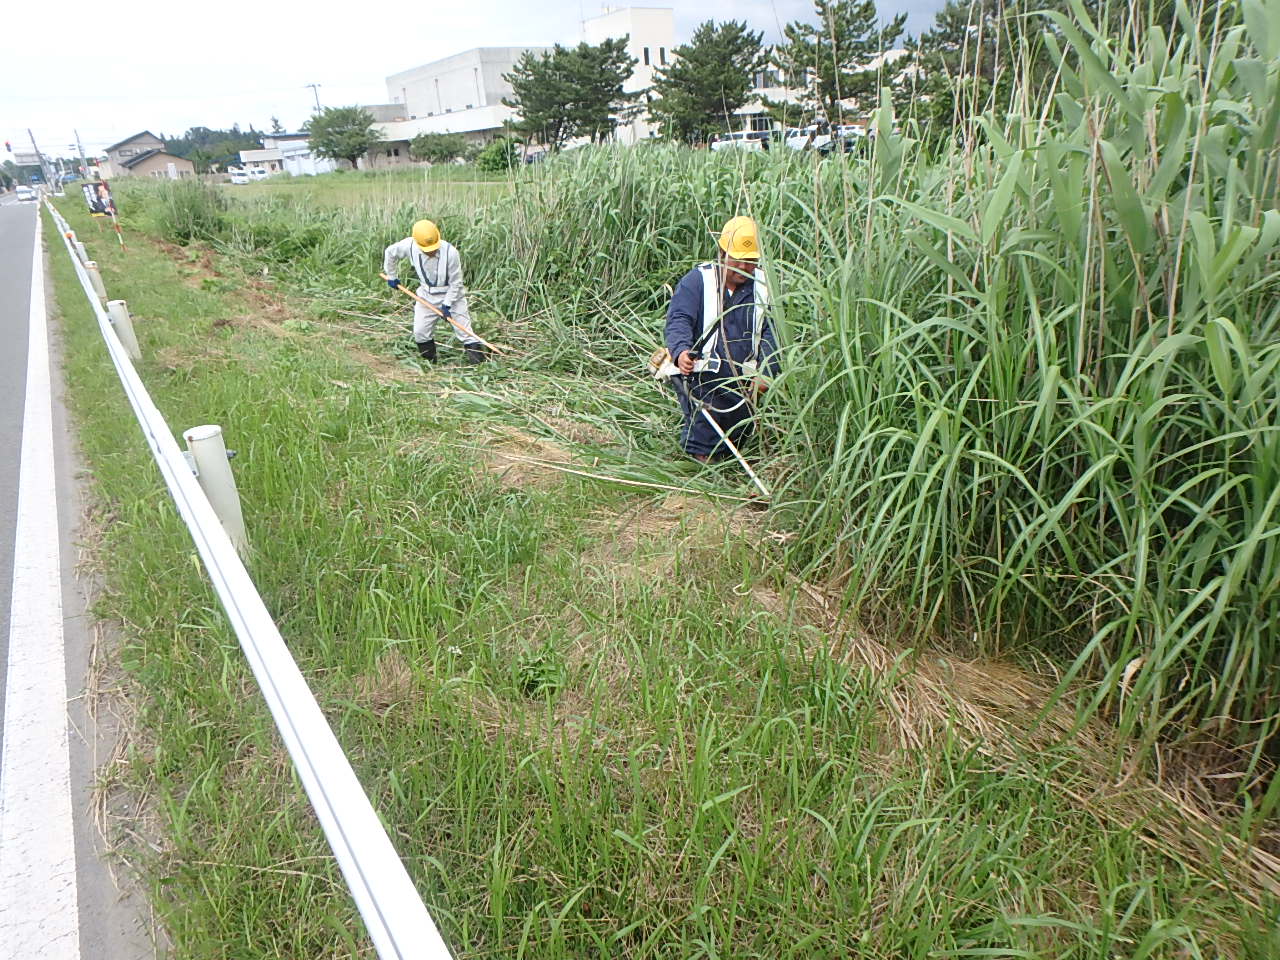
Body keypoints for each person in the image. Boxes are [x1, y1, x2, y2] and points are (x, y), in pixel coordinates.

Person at [662, 215, 779, 461]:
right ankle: (700, 470)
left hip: (744, 380)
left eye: (751, 262)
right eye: (738, 261)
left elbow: (772, 333)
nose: (745, 269)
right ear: (722, 253)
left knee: (736, 440)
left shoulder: (764, 288)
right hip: (701, 375)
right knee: (704, 437)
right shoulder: (698, 281)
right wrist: (681, 351)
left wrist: (766, 371)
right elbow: (679, 319)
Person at [382, 219, 486, 363]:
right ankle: (429, 365)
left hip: (452, 295)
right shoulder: (409, 245)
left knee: (465, 332)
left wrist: (447, 304)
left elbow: (456, 283)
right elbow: (390, 253)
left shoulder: (451, 253)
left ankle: (480, 365)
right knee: (420, 332)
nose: (431, 251)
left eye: (434, 248)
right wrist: (392, 276)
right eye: (427, 250)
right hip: (425, 295)